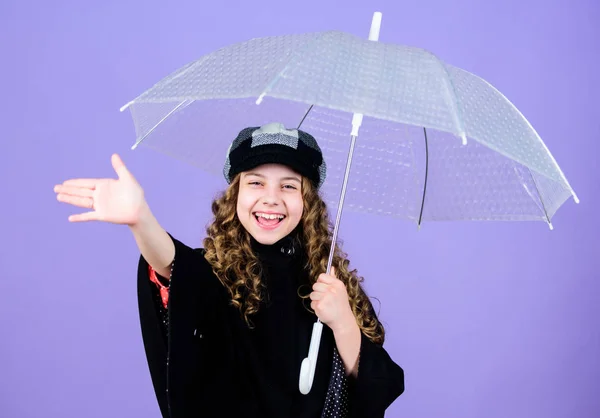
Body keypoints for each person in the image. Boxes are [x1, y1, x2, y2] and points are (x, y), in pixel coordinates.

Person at [54, 122, 404, 417]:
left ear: (308, 201)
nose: (271, 198)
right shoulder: (215, 275)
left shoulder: (330, 284)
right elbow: (175, 268)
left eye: (288, 186)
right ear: (234, 194)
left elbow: (380, 388)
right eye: (255, 182)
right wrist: (141, 221)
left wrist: (342, 322)